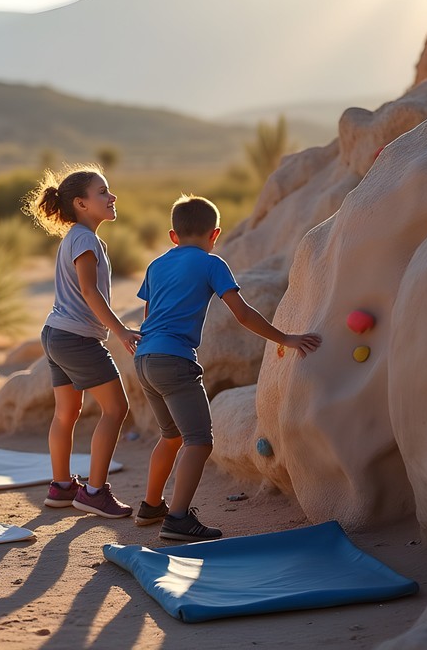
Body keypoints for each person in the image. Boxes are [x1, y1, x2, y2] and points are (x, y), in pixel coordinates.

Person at [133, 195, 322, 540]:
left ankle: (151, 506)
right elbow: (243, 313)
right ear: (215, 234)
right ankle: (177, 520)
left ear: (173, 236)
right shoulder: (211, 263)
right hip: (175, 360)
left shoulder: (156, 265)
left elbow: (149, 318)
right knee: (200, 441)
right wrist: (285, 338)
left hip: (144, 358)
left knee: (171, 435)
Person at [25, 165, 141, 519]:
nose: (112, 197)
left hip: (56, 334)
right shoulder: (85, 239)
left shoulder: (76, 236)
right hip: (75, 338)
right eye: (103, 192)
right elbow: (89, 291)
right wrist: (120, 331)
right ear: (81, 203)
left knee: (66, 413)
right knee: (116, 409)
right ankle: (93, 492)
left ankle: (61, 487)